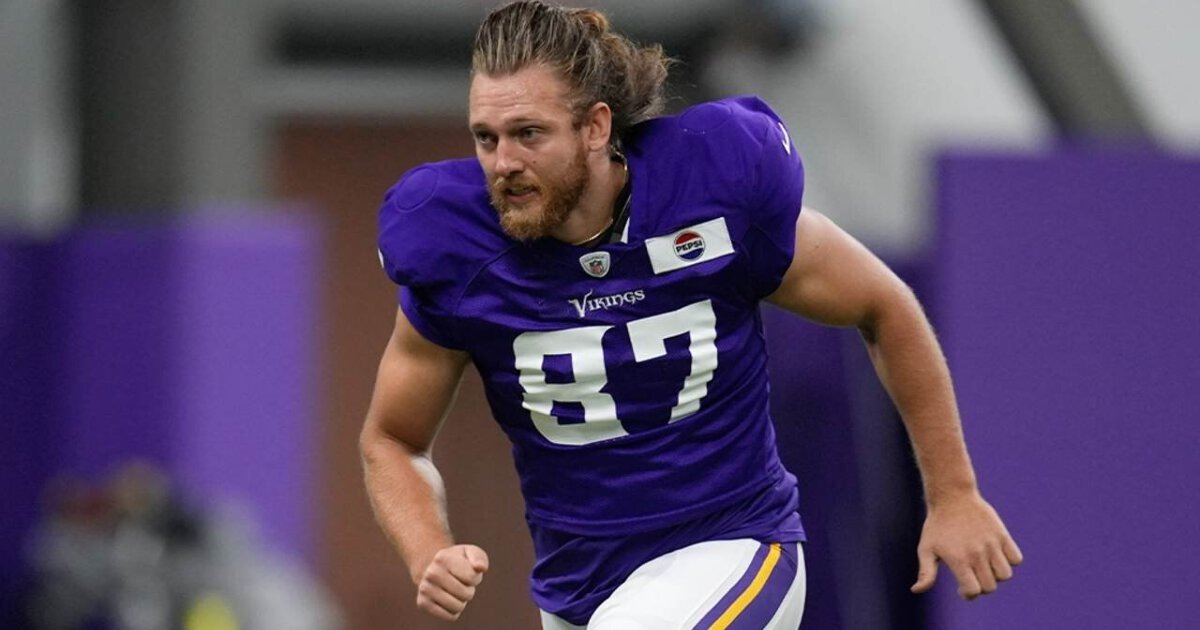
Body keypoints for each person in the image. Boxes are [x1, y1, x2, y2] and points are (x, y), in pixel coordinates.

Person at [360, 1, 1022, 627]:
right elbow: (392, 439)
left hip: (732, 546)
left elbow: (884, 304)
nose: (503, 163)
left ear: (595, 127)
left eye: (528, 134)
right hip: (578, 585)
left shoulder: (709, 191)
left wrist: (954, 493)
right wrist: (427, 549)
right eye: (486, 137)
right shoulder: (456, 248)